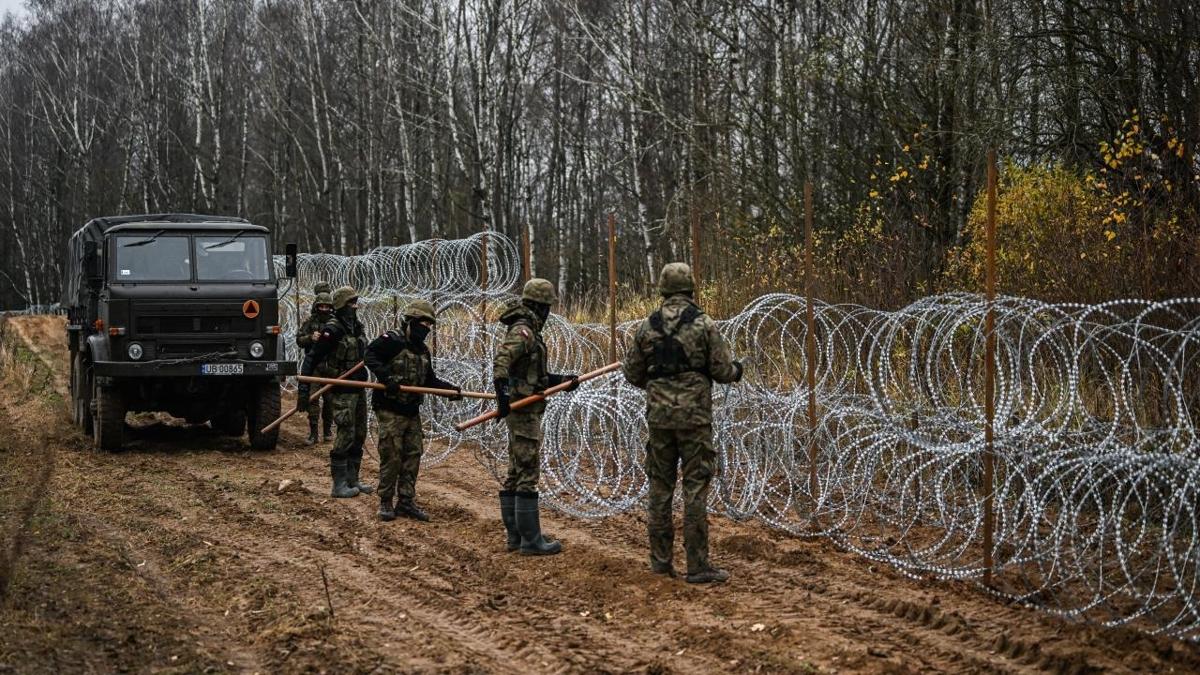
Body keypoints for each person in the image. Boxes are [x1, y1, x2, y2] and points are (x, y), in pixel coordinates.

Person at [621, 262, 743, 583]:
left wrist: (659, 385)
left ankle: (660, 563)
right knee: (695, 489)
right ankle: (698, 566)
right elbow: (722, 370)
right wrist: (737, 370)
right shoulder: (704, 324)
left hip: (659, 419)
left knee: (660, 488)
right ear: (691, 288)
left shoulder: (647, 327)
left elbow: (632, 373)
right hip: (695, 419)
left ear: (663, 290)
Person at [493, 278, 579, 555]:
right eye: (546, 307)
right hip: (523, 411)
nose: (548, 313)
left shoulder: (528, 330)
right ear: (538, 307)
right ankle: (531, 540)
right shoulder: (523, 330)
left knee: (516, 470)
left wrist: (562, 380)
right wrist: (503, 397)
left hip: (524, 405)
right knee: (527, 470)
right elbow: (502, 363)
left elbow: (533, 376)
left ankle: (515, 537)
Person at [364, 299, 463, 522]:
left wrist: (449, 390)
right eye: (422, 324)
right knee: (392, 456)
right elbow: (369, 355)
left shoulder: (423, 351)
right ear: (410, 321)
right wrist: (385, 377)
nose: (425, 329)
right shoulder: (392, 341)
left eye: (429, 326)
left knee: (412, 455)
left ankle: (406, 501)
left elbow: (429, 381)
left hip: (411, 410)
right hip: (390, 409)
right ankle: (386, 501)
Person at [303, 286, 374, 498]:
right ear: (343, 305)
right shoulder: (332, 329)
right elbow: (311, 358)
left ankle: (353, 478)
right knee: (346, 433)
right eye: (352, 303)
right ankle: (339, 484)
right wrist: (303, 390)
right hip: (342, 388)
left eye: (356, 303)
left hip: (359, 386)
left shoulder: (357, 327)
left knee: (359, 433)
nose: (355, 306)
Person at [295, 282, 334, 445]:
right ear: (317, 307)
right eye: (321, 306)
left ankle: (327, 431)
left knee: (330, 400)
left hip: (331, 366)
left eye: (327, 306)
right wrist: (311, 337)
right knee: (312, 399)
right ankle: (313, 433)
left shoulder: (335, 323)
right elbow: (299, 340)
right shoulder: (310, 322)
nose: (324, 309)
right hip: (314, 366)